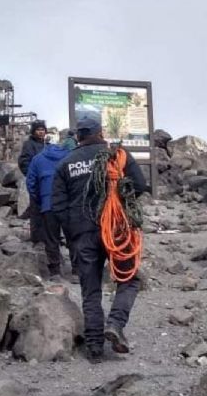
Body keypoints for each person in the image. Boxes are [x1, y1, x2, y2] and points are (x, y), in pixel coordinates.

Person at [52, 117, 146, 363]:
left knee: (90, 288)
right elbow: (140, 184)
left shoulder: (65, 163)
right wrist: (122, 205)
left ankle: (94, 347)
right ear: (100, 133)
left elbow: (58, 206)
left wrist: (73, 232)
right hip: (116, 229)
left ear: (79, 136)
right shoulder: (117, 155)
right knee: (129, 279)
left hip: (83, 234)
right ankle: (115, 324)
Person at [26, 136, 75, 279]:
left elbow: (31, 183)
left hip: (48, 204)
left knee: (51, 238)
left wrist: (40, 199)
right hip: (68, 204)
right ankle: (77, 271)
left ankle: (55, 272)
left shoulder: (38, 159)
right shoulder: (70, 157)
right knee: (72, 237)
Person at [18, 121, 47, 243]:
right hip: (36, 182)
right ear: (33, 131)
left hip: (47, 183)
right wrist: (32, 177)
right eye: (38, 129)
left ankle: (48, 237)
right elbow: (24, 162)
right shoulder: (29, 144)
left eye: (43, 129)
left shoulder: (46, 144)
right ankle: (36, 239)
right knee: (36, 211)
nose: (41, 132)